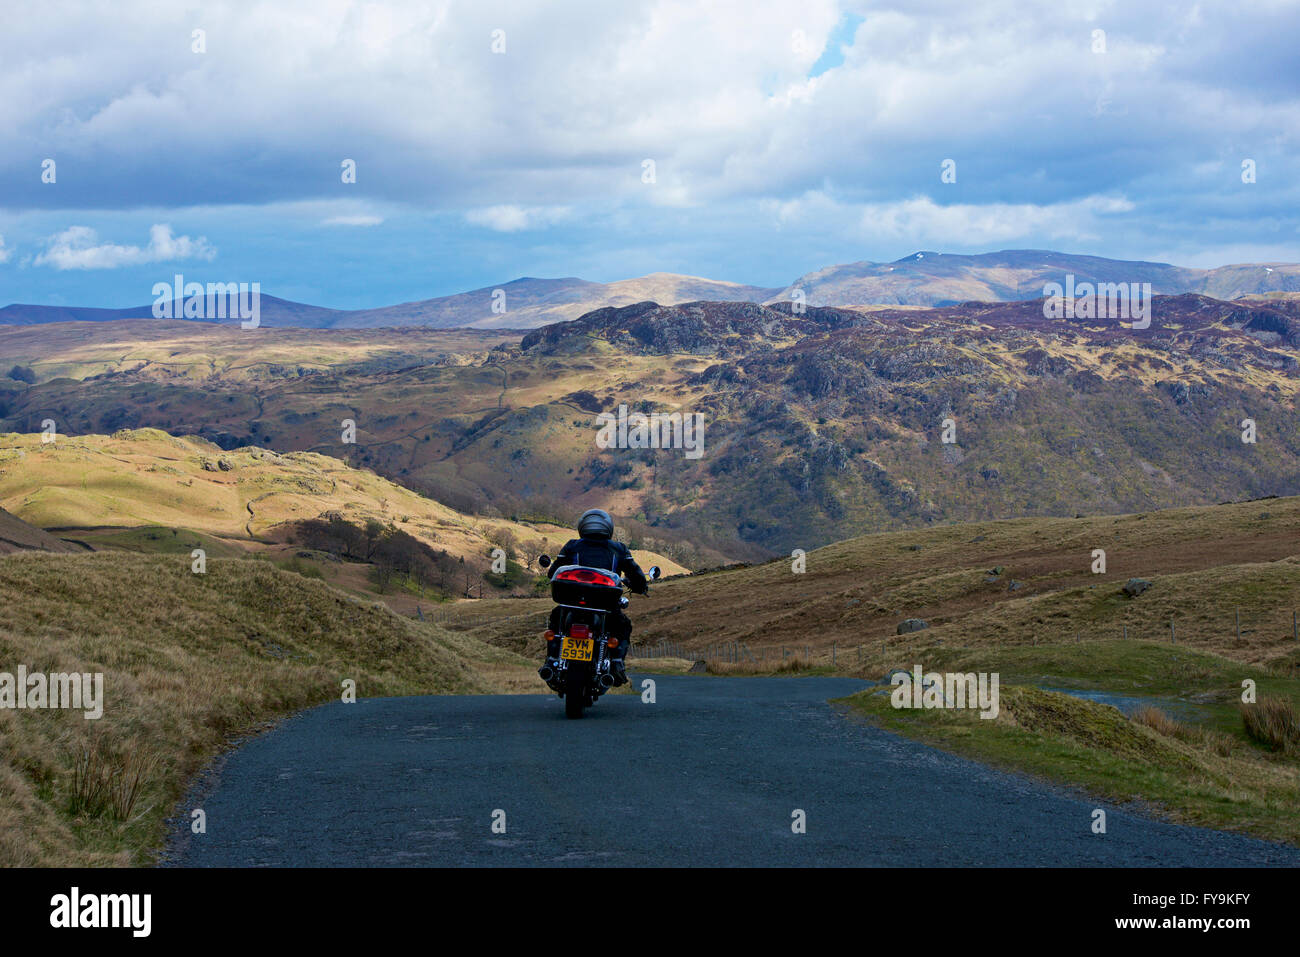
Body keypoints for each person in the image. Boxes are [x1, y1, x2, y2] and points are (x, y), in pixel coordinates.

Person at [541, 508, 647, 686]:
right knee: (622, 626)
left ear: (582, 526)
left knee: (556, 620)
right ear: (608, 527)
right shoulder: (619, 549)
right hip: (605, 606)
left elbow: (553, 571)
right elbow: (636, 575)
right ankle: (616, 663)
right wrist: (640, 586)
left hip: (572, 604)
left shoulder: (572, 546)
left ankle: (552, 659)